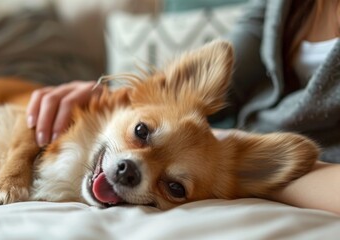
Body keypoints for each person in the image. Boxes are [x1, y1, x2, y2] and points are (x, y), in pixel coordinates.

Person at [25, 0, 340, 214]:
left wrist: (241, 175)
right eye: (141, 134)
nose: (133, 169)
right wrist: (113, 96)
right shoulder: (285, 5)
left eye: (174, 187)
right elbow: (223, 68)